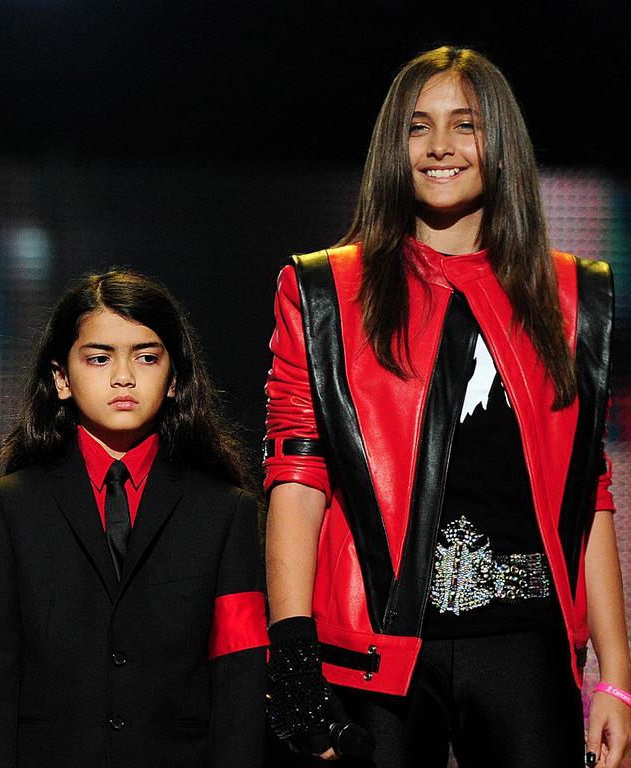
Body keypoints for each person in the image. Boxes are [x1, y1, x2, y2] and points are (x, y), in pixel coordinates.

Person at [263, 46, 631, 768]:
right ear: (392, 148)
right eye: (416, 127)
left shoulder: (575, 297)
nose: (439, 147)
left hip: (525, 644)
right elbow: (296, 480)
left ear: (501, 142)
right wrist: (293, 654)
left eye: (465, 125)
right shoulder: (323, 293)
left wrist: (615, 679)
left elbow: (587, 491)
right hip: (375, 650)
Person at [0, 270, 268, 767]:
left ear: (175, 379)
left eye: (146, 358)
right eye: (99, 358)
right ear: (61, 377)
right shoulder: (10, 506)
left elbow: (240, 674)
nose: (123, 377)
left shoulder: (225, 511)